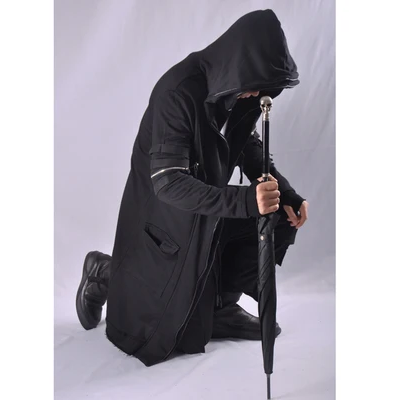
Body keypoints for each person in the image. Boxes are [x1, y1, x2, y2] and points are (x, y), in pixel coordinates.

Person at [75, 9, 309, 367]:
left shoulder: (239, 91)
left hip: (207, 211)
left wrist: (287, 195)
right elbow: (168, 182)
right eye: (256, 82)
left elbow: (246, 146)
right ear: (239, 62)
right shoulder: (177, 93)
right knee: (163, 325)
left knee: (275, 216)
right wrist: (246, 200)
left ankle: (220, 308)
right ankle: (104, 273)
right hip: (166, 219)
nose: (258, 92)